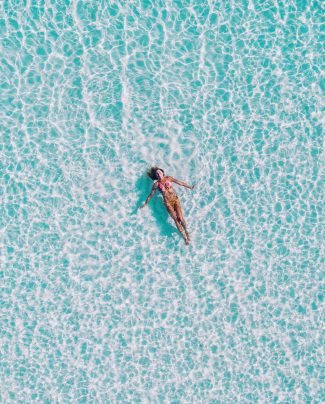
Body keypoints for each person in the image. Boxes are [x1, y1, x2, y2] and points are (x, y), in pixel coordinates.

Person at [139, 166, 194, 245]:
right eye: (157, 173)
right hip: (168, 203)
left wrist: (190, 187)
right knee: (176, 220)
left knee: (181, 219)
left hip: (175, 200)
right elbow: (151, 195)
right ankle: (184, 238)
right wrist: (145, 204)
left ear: (162, 172)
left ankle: (187, 232)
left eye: (159, 172)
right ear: (156, 176)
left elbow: (180, 183)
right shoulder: (156, 184)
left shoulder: (169, 178)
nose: (158, 174)